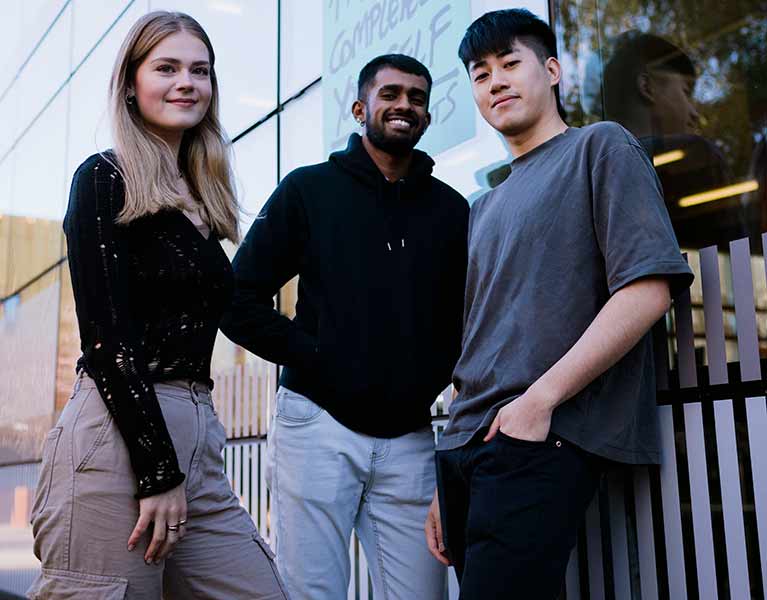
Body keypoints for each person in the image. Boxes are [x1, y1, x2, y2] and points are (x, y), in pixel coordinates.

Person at [423, 9, 694, 599]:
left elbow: (648, 287)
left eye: (510, 63)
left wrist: (539, 401)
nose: (495, 81)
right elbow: (477, 343)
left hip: (539, 431)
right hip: (470, 444)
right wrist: (445, 472)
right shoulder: (483, 206)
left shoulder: (601, 147)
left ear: (552, 71)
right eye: (480, 72)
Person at [28, 11, 288, 599]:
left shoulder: (203, 200)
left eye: (200, 70)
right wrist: (156, 468)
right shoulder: (104, 179)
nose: (186, 83)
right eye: (165, 67)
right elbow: (107, 337)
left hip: (198, 434)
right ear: (131, 83)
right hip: (119, 434)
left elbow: (237, 316)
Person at [220, 54, 469, 600]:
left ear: (427, 117)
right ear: (361, 108)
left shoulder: (452, 211)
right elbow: (235, 299)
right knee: (313, 593)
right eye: (391, 94)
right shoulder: (309, 191)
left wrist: (435, 376)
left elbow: (468, 319)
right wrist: (314, 353)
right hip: (317, 425)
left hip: (409, 438)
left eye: (418, 98)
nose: (405, 104)